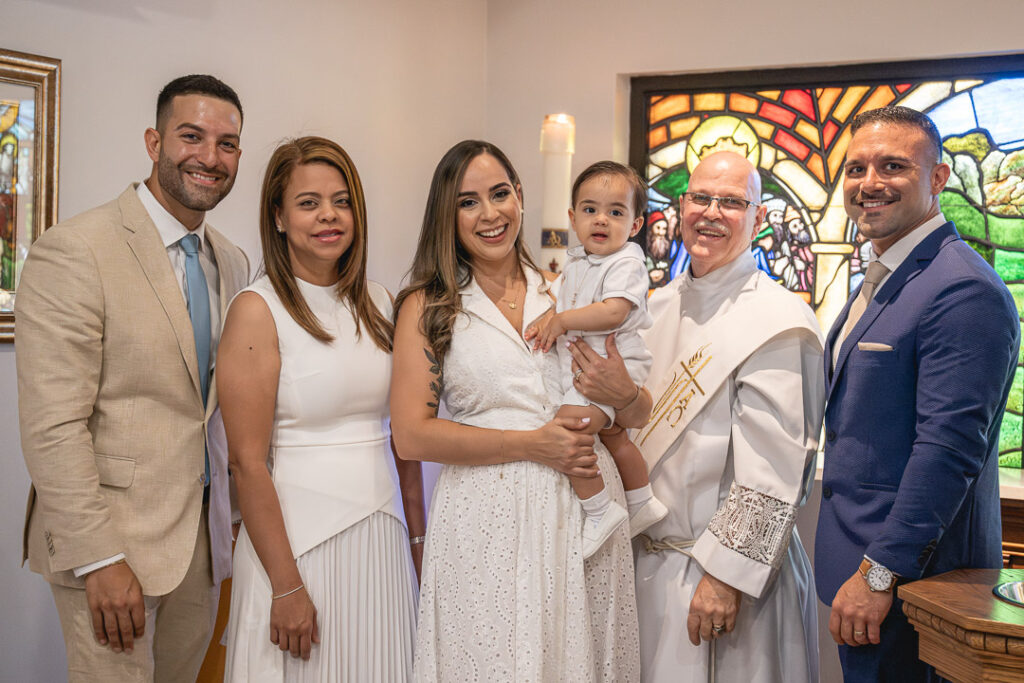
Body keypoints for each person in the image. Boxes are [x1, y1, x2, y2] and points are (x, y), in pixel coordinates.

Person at [16, 75, 249, 682]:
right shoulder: (76, 249)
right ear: (153, 141)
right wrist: (100, 559)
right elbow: (53, 427)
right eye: (191, 136)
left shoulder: (232, 259)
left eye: (227, 144)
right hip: (112, 548)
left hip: (200, 550)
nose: (209, 157)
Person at [390, 140, 641, 682]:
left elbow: (636, 410)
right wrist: (531, 445)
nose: (490, 214)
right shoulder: (429, 305)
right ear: (446, 215)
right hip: (486, 519)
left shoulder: (566, 286)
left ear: (521, 197)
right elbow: (410, 437)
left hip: (582, 512)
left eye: (500, 194)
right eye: (468, 202)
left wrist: (622, 394)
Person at [586, 150, 824, 682]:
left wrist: (727, 578)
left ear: (759, 219)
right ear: (681, 206)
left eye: (732, 202)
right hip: (649, 568)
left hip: (729, 585)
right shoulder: (656, 306)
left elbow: (775, 469)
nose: (711, 212)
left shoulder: (780, 320)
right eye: (700, 197)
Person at [815, 105, 1020, 682]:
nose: (869, 183)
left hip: (915, 582)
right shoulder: (882, 277)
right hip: (862, 568)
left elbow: (947, 452)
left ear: (937, 178)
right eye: (856, 169)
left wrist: (880, 573)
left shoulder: (961, 288)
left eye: (893, 166)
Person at [219, 136, 424, 681]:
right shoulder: (256, 311)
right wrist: (286, 585)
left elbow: (403, 437)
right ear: (279, 217)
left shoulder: (381, 303)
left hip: (380, 541)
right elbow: (246, 463)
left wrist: (418, 541)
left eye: (341, 200)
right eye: (308, 203)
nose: (328, 216)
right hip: (296, 547)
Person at [525, 160, 667, 557]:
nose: (601, 219)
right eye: (590, 210)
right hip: (587, 368)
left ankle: (600, 510)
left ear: (636, 225)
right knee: (613, 434)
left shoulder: (627, 262)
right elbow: (560, 298)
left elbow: (613, 312)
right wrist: (549, 316)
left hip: (615, 364)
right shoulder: (576, 261)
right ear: (572, 217)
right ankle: (641, 501)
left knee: (567, 430)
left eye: (616, 212)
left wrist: (562, 320)